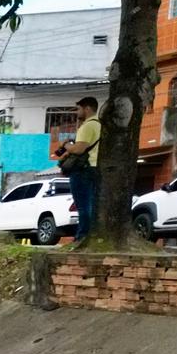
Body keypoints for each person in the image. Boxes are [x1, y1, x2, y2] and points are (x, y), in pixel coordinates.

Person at [57, 96, 102, 243]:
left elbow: (79, 149)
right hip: (94, 167)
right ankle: (89, 235)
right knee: (91, 204)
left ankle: (82, 237)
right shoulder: (99, 125)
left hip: (83, 169)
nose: (77, 112)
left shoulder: (87, 126)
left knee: (83, 205)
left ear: (87, 108)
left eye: (79, 109)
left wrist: (65, 146)